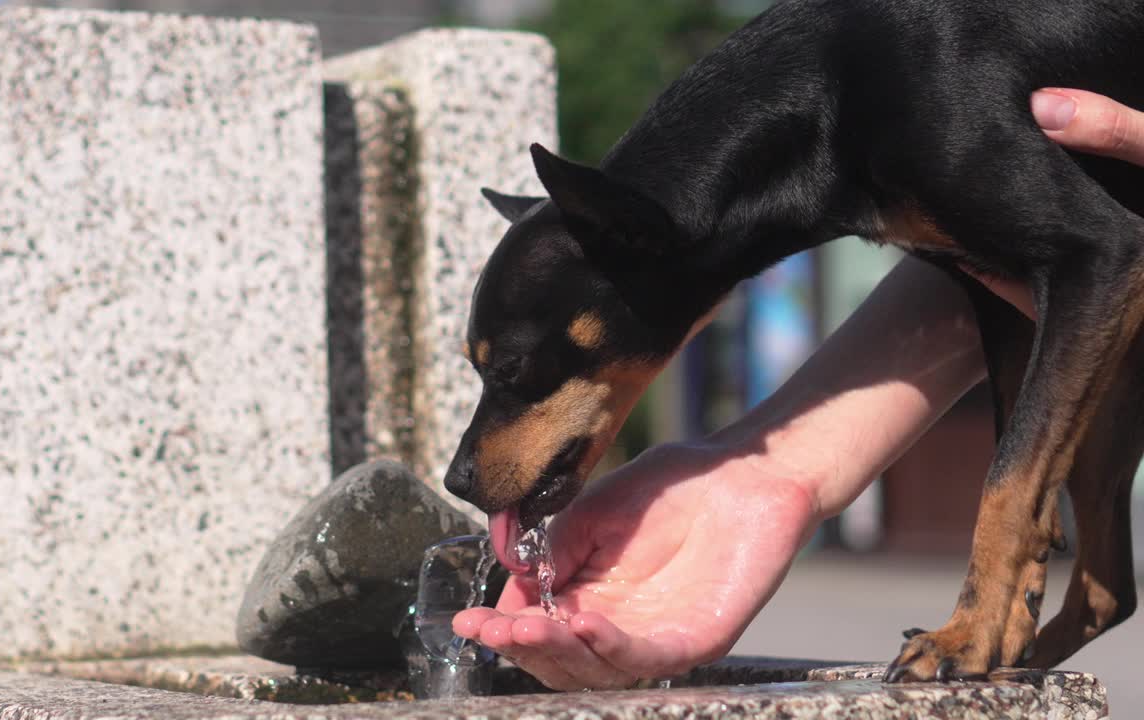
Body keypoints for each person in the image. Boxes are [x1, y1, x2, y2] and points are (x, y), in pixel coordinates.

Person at [452, 89, 1144, 691]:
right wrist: (770, 470)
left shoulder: (905, 106)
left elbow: (1110, 259)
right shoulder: (888, 120)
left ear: (618, 234)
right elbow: (1024, 273)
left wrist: (1003, 553)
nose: (466, 464)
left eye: (514, 373)